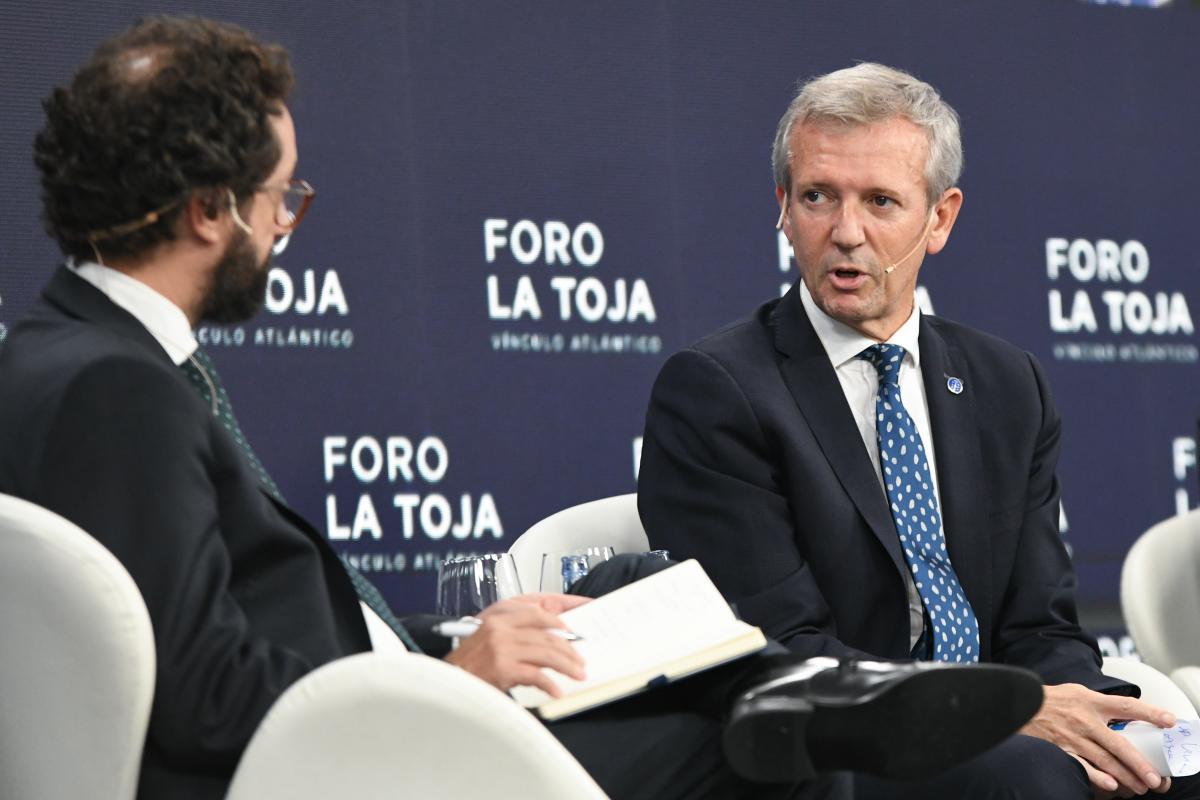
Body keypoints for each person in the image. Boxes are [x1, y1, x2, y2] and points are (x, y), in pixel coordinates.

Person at [0, 23, 1039, 799]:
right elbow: (201, 697)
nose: (284, 228)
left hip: (370, 704)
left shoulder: (63, 352)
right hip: (348, 756)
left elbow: (217, 632)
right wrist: (452, 672)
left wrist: (443, 636)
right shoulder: (114, 391)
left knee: (629, 599)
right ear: (207, 212)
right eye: (281, 198)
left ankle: (819, 690)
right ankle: (829, 703)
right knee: (766, 763)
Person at [637, 62, 1200, 799]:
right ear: (783, 209)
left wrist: (1094, 721)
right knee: (1032, 780)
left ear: (940, 218)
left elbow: (1041, 628)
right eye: (817, 196)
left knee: (1175, 765)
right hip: (839, 746)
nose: (846, 232)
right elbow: (778, 651)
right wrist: (1003, 713)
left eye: (880, 201)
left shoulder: (1008, 384)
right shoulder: (717, 390)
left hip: (1004, 727)